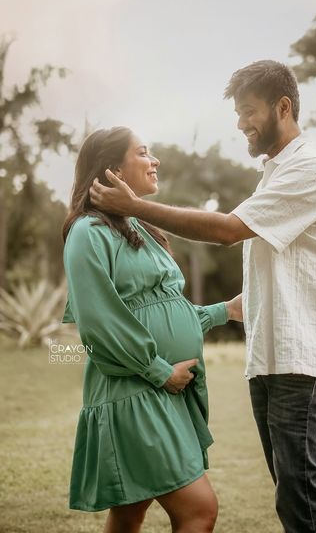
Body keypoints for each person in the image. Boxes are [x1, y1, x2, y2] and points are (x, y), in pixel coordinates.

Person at [89, 60, 316, 533]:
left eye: (248, 111)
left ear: (284, 107)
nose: (240, 124)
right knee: (290, 488)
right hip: (271, 357)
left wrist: (134, 206)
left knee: (300, 489)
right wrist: (228, 309)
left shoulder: (312, 166)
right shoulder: (276, 172)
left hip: (302, 358)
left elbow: (229, 230)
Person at [62, 126, 242, 533]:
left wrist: (224, 311)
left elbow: (164, 310)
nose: (154, 160)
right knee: (199, 510)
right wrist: (160, 371)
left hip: (159, 389)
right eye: (143, 153)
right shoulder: (87, 233)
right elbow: (99, 324)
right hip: (136, 389)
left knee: (130, 510)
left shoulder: (139, 228)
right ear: (113, 171)